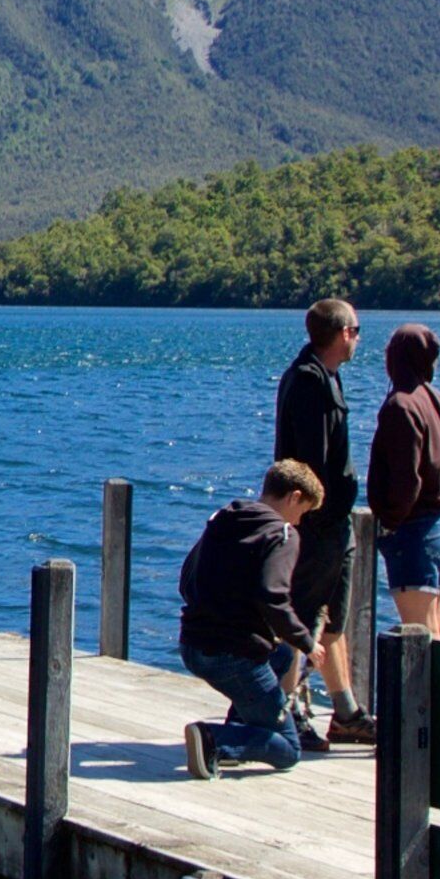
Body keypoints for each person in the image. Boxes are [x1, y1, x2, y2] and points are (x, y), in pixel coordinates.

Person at [176, 459, 327, 781]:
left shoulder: (225, 517)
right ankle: (215, 739)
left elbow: (187, 577)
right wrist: (307, 643)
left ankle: (238, 727)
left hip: (192, 644)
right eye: (303, 512)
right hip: (232, 656)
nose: (299, 522)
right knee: (289, 749)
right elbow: (273, 597)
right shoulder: (282, 534)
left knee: (281, 656)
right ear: (294, 497)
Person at [274, 297, 371, 743]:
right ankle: (285, 712)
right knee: (301, 617)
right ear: (343, 333)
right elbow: (312, 461)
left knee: (332, 621)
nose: (358, 340)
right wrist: (320, 511)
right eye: (356, 331)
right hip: (317, 523)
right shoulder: (308, 382)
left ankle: (345, 712)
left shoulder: (326, 376)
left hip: (335, 523)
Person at [367, 322, 440, 643]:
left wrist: (390, 521)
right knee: (439, 630)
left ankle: (426, 684)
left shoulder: (401, 405)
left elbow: (406, 477)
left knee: (420, 635)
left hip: (415, 531)